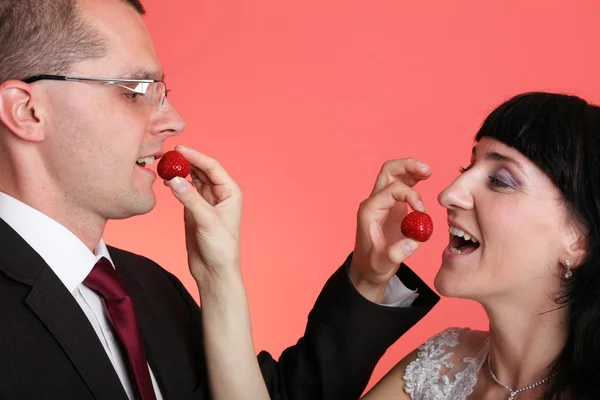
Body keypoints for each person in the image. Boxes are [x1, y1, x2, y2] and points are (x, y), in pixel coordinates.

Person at [0, 1, 439, 399]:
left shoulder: (150, 288)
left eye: (162, 92)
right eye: (135, 89)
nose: (174, 120)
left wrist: (367, 278)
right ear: (28, 111)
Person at [199, 91, 600, 399]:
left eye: (500, 180)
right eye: (468, 166)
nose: (449, 193)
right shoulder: (443, 363)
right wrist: (218, 269)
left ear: (579, 241)